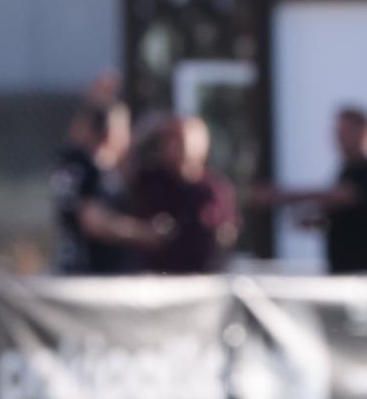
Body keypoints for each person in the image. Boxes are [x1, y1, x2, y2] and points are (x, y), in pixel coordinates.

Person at [250, 106, 367, 274]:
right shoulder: (347, 169)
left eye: (343, 131)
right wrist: (317, 222)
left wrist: (279, 196)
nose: (337, 138)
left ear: (363, 132)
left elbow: (340, 196)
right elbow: (350, 218)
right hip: (343, 270)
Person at [50, 96, 162, 274]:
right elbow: (93, 222)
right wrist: (144, 233)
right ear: (113, 132)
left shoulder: (78, 162)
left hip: (81, 269)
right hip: (92, 274)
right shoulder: (89, 168)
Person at [129, 113, 239, 274]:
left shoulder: (215, 188)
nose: (178, 146)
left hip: (202, 280)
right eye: (171, 139)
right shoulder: (151, 180)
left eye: (182, 139)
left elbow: (228, 232)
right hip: (157, 281)